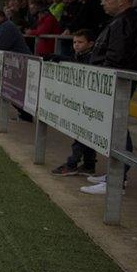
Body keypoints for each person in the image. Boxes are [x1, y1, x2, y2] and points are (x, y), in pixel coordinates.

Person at [80, 0, 137, 195]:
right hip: (113, 82)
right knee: (116, 128)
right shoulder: (121, 21)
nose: (102, 2)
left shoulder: (125, 22)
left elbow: (116, 58)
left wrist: (101, 79)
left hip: (115, 83)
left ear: (122, 1)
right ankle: (114, 175)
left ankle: (116, 181)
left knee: (117, 129)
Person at [50, 30, 97, 176]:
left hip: (90, 102)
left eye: (80, 42)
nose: (76, 45)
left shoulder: (92, 57)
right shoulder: (79, 56)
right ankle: (89, 165)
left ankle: (72, 164)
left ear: (90, 44)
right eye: (74, 42)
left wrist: (63, 59)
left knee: (81, 133)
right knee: (84, 133)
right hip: (81, 101)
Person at [0, 8, 34, 121]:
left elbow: (0, 45)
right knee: (13, 91)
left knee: (16, 91)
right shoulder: (3, 26)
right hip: (16, 63)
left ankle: (26, 115)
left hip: (22, 63)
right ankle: (24, 115)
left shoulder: (7, 27)